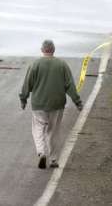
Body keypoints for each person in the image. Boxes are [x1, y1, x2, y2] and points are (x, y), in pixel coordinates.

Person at [19, 39, 83, 169]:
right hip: (57, 104)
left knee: (38, 129)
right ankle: (53, 160)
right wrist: (77, 102)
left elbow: (27, 84)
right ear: (53, 50)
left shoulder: (35, 65)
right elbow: (70, 85)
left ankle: (42, 152)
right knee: (53, 131)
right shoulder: (62, 64)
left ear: (42, 50)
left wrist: (23, 99)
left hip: (39, 104)